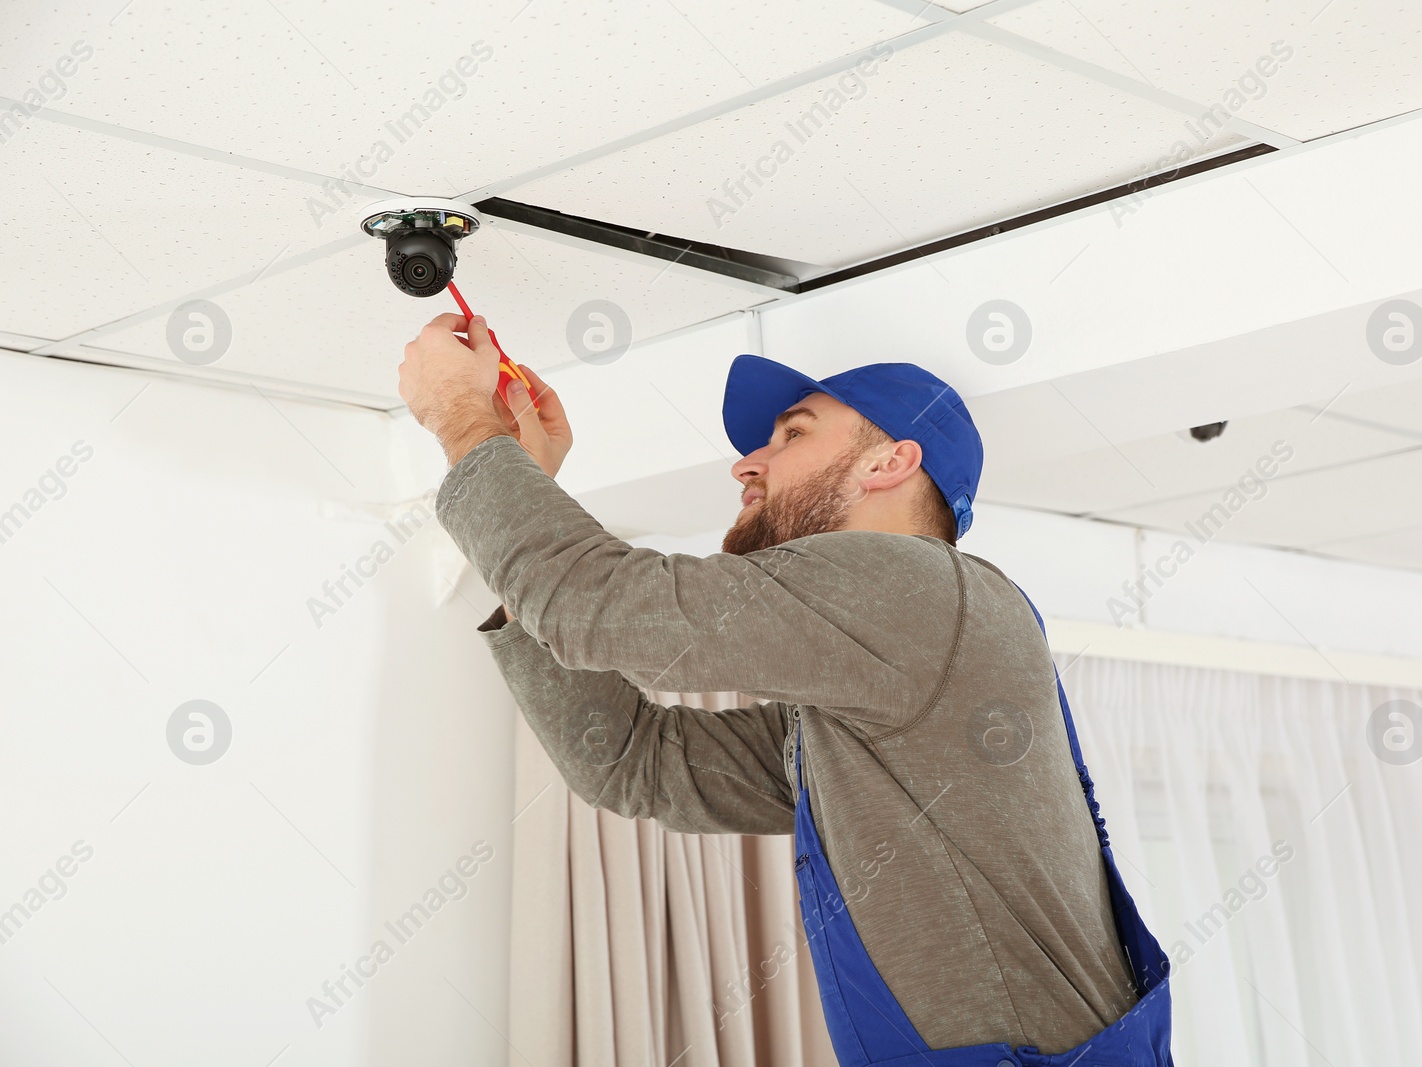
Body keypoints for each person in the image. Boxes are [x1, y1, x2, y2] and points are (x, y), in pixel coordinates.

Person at [398, 313, 1173, 1066]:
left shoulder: (919, 592)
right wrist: (508, 480)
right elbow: (634, 759)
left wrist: (466, 421)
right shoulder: (874, 699)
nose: (747, 462)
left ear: (890, 462)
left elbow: (594, 603)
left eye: (792, 433)